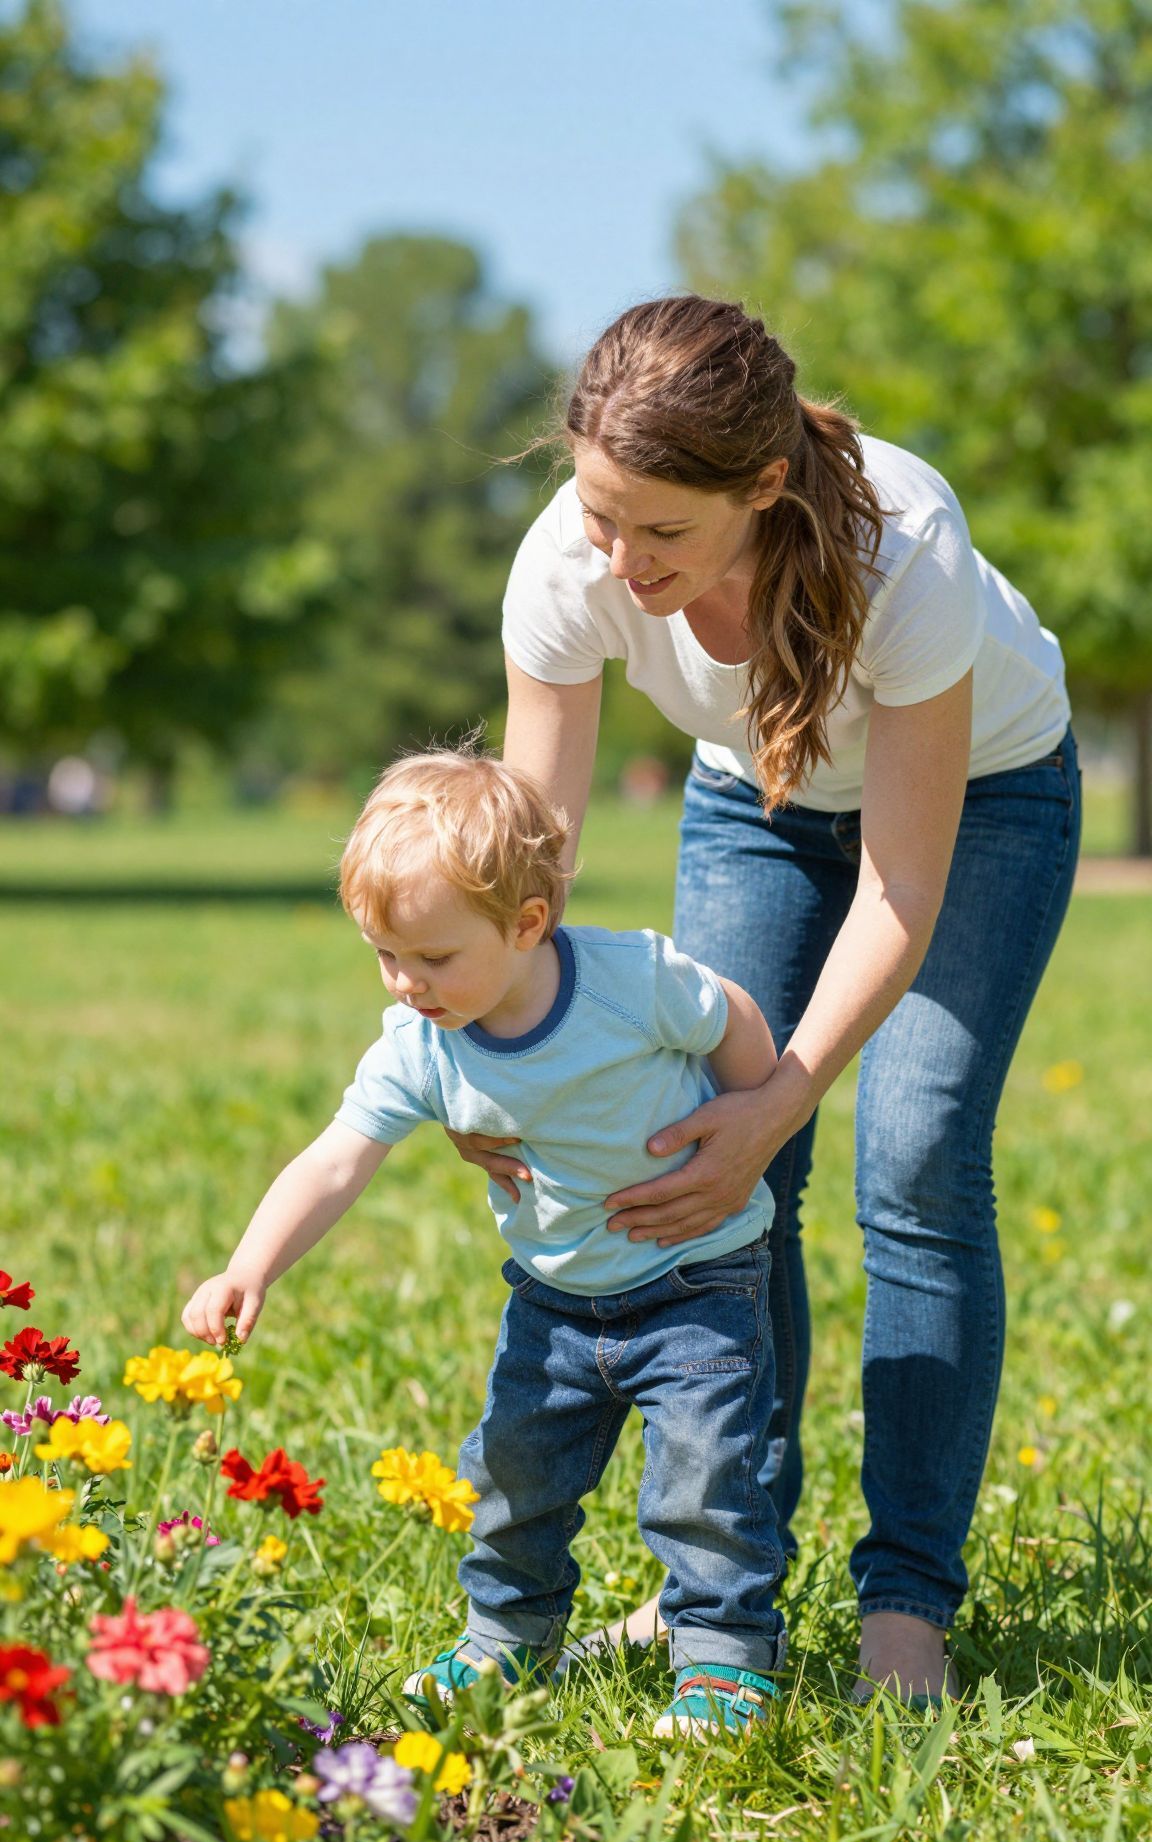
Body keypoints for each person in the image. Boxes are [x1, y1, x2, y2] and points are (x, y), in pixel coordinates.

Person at [446, 294, 1079, 1706]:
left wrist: (788, 1088)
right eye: (600, 514)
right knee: (722, 1169)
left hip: (985, 801)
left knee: (914, 1158)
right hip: (758, 801)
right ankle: (724, 1589)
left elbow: (900, 889)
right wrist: (497, 1051)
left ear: (765, 485)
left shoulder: (904, 547)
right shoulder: (567, 561)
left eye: (662, 531)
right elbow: (524, 869)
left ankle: (906, 1602)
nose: (620, 559)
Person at [182, 749, 790, 1741]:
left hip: (697, 1277)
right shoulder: (424, 1042)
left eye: (432, 957)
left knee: (704, 1476)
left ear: (527, 924)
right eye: (386, 956)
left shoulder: (631, 980)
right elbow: (335, 1159)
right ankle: (509, 1636)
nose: (406, 982)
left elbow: (733, 1019)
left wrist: (751, 1121)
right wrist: (250, 1264)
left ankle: (724, 1657)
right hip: (554, 1298)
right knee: (509, 1477)